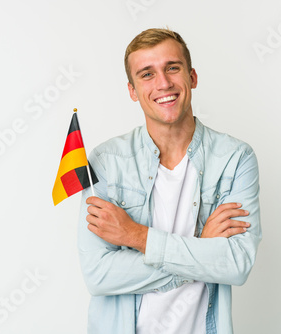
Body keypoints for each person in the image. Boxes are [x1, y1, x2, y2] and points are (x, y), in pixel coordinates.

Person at [78, 28, 262, 334]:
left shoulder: (235, 158)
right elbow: (98, 275)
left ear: (192, 77)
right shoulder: (104, 161)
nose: (163, 83)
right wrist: (200, 249)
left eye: (172, 68)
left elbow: (236, 265)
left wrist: (136, 236)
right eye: (147, 74)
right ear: (132, 90)